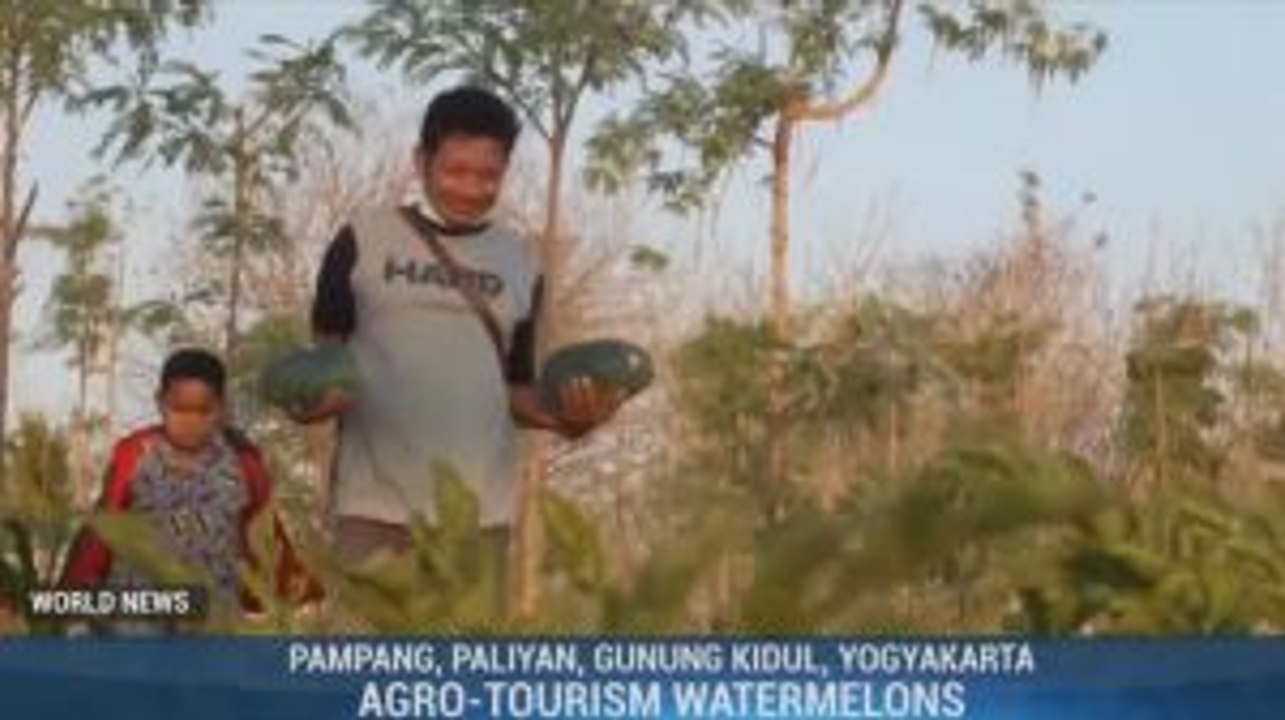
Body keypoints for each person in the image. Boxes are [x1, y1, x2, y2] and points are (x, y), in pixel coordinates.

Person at [307, 85, 619, 563]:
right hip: (373, 512)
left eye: (488, 176)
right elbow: (325, 366)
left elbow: (516, 391)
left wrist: (572, 421)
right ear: (421, 161)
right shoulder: (362, 239)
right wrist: (311, 403)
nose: (471, 189)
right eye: (455, 171)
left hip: (480, 521)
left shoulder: (521, 263)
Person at [61, 348, 319, 616]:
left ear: (221, 408)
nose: (190, 422)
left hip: (212, 621)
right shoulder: (135, 455)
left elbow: (268, 538)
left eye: (202, 411)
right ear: (160, 402)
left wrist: (297, 597)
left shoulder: (244, 466)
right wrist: (72, 600)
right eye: (179, 409)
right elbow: (102, 530)